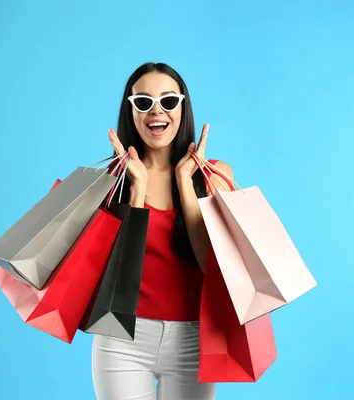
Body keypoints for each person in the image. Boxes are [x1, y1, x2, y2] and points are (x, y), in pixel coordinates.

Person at [91, 62, 234, 400]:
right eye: (144, 102)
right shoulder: (110, 180)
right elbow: (117, 275)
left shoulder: (216, 176)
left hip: (194, 337)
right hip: (122, 337)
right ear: (131, 112)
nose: (157, 111)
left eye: (168, 101)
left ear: (182, 108)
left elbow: (210, 267)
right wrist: (136, 191)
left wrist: (186, 183)